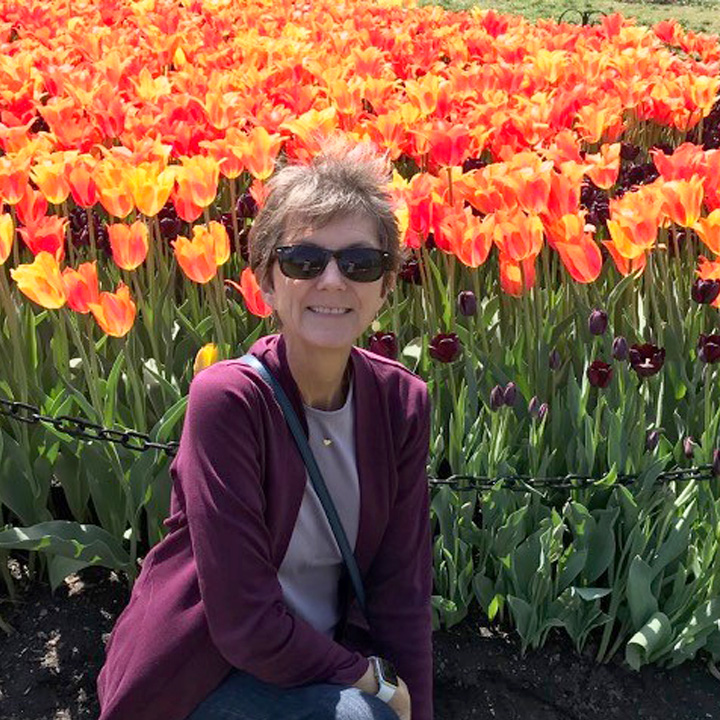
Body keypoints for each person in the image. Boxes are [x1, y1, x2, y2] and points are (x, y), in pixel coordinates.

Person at [96, 141, 434, 720]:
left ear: (385, 287)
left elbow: (400, 591)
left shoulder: (401, 402)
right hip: (206, 671)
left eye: (360, 264)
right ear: (267, 284)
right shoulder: (228, 402)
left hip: (315, 661)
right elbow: (244, 622)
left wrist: (414, 708)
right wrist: (370, 681)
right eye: (304, 261)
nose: (332, 280)